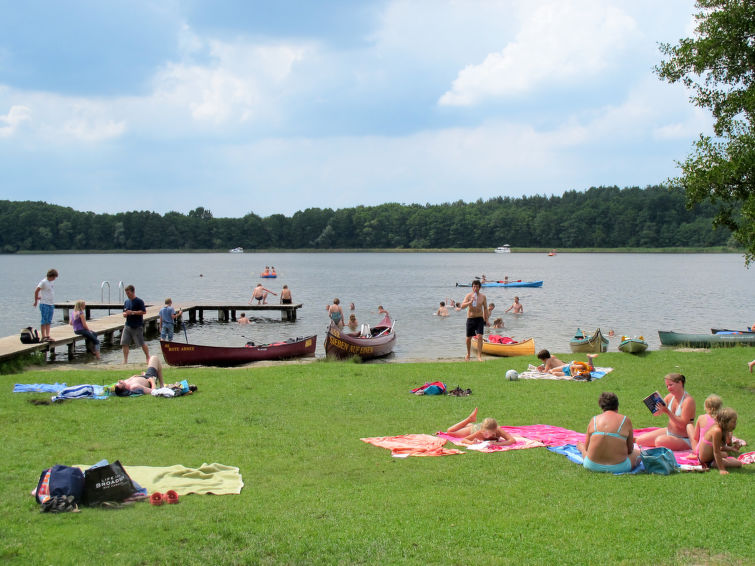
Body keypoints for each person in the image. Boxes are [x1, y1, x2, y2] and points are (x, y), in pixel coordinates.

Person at [577, 392, 640, 473]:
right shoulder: (625, 420)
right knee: (638, 453)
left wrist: (583, 449)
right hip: (619, 467)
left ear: (602, 407)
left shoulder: (594, 420)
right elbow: (630, 450)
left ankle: (580, 448)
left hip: (592, 465)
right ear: (617, 405)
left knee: (584, 450)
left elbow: (587, 448)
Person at [636, 373, 696, 450]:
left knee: (659, 442)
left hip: (683, 438)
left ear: (680, 383)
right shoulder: (669, 397)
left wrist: (667, 411)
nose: (668, 388)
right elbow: (657, 413)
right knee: (640, 441)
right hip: (669, 432)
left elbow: (683, 425)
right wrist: (655, 407)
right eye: (667, 386)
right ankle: (667, 441)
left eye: (671, 385)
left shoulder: (688, 401)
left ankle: (689, 445)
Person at [697, 408, 742, 474]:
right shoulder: (717, 431)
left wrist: (732, 448)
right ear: (725, 421)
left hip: (709, 457)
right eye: (733, 422)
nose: (735, 424)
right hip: (707, 461)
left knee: (725, 454)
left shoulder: (720, 428)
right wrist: (722, 469)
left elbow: (720, 446)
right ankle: (714, 464)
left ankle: (717, 462)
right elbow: (716, 451)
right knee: (738, 463)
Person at [442, 408, 515, 446]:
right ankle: (469, 419)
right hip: (472, 430)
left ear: (494, 431)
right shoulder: (480, 432)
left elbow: (512, 440)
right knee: (450, 431)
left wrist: (498, 444)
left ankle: (468, 424)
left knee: (465, 428)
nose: (485, 435)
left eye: (487, 434)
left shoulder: (498, 430)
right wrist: (471, 443)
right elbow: (464, 440)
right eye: (484, 433)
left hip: (478, 426)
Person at [456, 279, 488, 361]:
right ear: (472, 287)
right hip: (470, 318)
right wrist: (469, 302)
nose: (475, 288)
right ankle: (468, 354)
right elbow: (462, 306)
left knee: (480, 336)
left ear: (479, 287)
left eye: (477, 286)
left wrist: (486, 320)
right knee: (468, 338)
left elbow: (485, 308)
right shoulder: (468, 296)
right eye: (474, 286)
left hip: (479, 318)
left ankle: (479, 356)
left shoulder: (483, 297)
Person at [121, 284, 149, 364]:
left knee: (141, 343)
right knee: (124, 343)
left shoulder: (139, 301)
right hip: (127, 325)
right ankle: (125, 361)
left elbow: (144, 312)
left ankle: (147, 356)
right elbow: (125, 311)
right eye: (126, 293)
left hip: (137, 326)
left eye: (128, 293)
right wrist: (125, 314)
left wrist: (132, 312)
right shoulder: (126, 302)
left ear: (133, 292)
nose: (127, 295)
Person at [33, 268, 58, 342]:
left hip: (51, 304)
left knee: (49, 320)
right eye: (54, 277)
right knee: (44, 320)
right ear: (51, 276)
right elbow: (36, 290)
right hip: (44, 304)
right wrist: (36, 301)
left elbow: (47, 292)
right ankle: (43, 336)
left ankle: (47, 335)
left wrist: (41, 296)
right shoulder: (43, 282)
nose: (54, 279)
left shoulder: (51, 282)